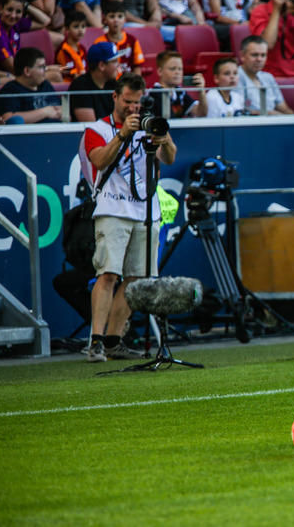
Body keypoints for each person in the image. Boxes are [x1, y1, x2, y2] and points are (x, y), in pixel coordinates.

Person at [79, 72, 177, 362]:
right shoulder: (97, 129)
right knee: (108, 274)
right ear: (115, 97)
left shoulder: (148, 124)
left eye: (138, 102)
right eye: (128, 102)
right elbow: (98, 160)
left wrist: (164, 138)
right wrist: (123, 134)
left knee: (135, 280)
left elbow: (169, 158)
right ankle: (95, 343)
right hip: (112, 208)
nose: (133, 108)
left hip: (146, 210)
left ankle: (114, 339)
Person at [0, 47, 61, 124]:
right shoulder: (11, 89)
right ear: (27, 71)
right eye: (41, 67)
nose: (45, 70)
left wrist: (63, 113)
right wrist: (44, 112)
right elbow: (8, 118)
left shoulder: (46, 85)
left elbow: (64, 114)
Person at [236, 35, 294, 115]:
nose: (259, 59)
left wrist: (292, 119)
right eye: (254, 55)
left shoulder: (268, 77)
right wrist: (271, 114)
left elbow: (283, 108)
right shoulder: (235, 77)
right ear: (242, 56)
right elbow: (239, 111)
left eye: (263, 55)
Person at [0, 0, 52, 74]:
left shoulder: (16, 24)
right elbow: (14, 69)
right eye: (9, 10)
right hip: (5, 76)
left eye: (18, 11)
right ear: (1, 8)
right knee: (55, 75)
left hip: (17, 72)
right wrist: (45, 68)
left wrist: (25, 5)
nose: (13, 15)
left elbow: (45, 21)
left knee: (56, 72)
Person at [68, 41, 123, 122]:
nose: (118, 65)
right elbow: (92, 127)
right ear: (102, 65)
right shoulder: (80, 86)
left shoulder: (113, 84)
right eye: (114, 61)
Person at [92, 1, 145, 78]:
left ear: (125, 19)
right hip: (108, 85)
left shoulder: (132, 40)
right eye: (112, 16)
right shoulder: (99, 43)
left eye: (120, 16)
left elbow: (137, 67)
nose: (116, 20)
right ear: (104, 19)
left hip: (128, 85)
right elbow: (96, 70)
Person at [149, 50, 208, 117]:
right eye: (172, 69)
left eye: (180, 69)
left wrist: (201, 92)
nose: (177, 72)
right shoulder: (154, 93)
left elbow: (201, 113)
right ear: (160, 71)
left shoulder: (180, 91)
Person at [54, 9, 88, 84]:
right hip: (69, 86)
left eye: (83, 26)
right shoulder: (63, 50)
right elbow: (67, 71)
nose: (80, 30)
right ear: (67, 29)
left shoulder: (82, 48)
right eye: (76, 27)